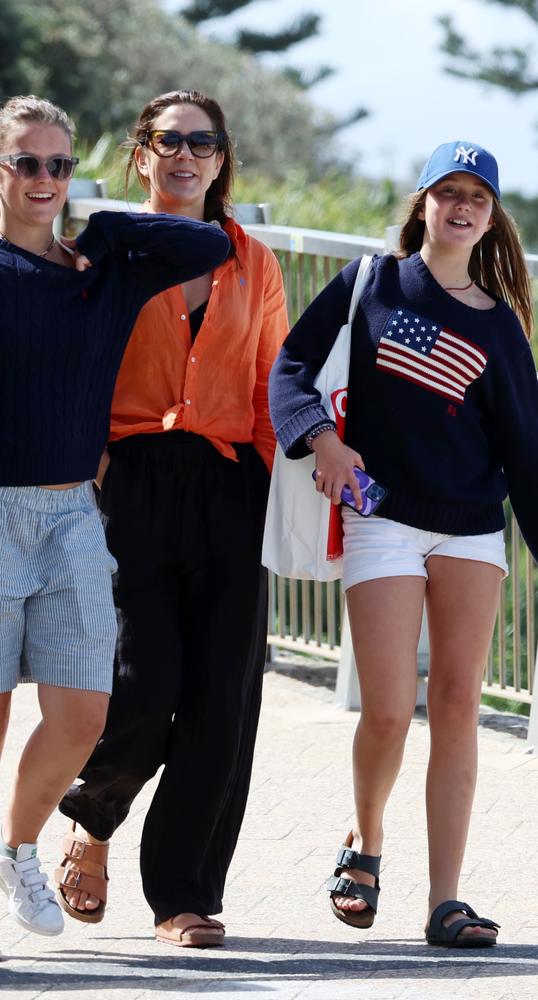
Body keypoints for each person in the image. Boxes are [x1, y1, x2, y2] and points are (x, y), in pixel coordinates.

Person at [0, 94, 229, 964]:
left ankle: (14, 845)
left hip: (73, 515)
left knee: (84, 715)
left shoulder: (103, 272)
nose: (46, 180)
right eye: (28, 163)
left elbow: (212, 242)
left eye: (61, 164)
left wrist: (110, 233)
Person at [268, 140, 538, 948]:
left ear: (492, 218)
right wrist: (321, 438)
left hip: (470, 528)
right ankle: (365, 840)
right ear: (421, 202)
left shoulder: (502, 329)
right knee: (387, 708)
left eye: (478, 198)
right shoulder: (367, 285)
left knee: (459, 703)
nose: (461, 208)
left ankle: (446, 900)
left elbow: (526, 453)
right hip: (379, 514)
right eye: (447, 192)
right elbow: (290, 368)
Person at [54, 89, 289, 948]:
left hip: (230, 482)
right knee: (143, 680)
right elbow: (72, 365)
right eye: (167, 140)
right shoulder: (109, 251)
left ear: (222, 160)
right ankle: (94, 813)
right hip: (132, 480)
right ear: (140, 154)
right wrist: (95, 466)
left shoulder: (251, 262)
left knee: (222, 700)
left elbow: (270, 383)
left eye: (203, 142)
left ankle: (182, 896)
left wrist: (267, 488)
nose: (185, 154)